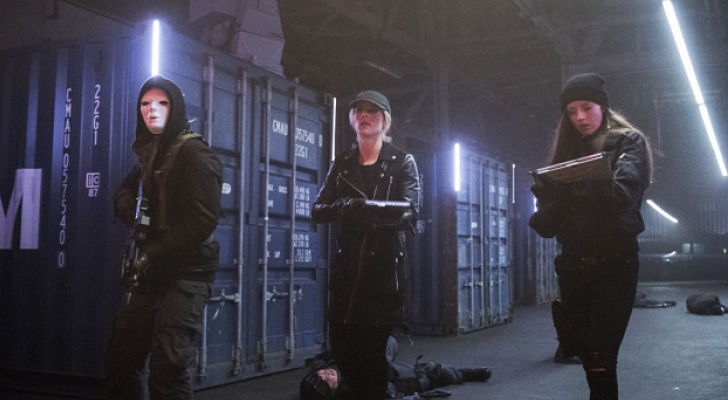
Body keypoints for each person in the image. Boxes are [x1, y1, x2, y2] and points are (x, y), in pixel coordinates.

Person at [529, 72, 652, 400]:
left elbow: (622, 195)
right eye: (571, 111)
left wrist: (569, 190)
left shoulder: (627, 142)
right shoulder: (568, 150)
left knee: (600, 356)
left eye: (586, 107)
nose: (580, 117)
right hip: (574, 266)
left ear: (602, 107)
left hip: (615, 264)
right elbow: (551, 222)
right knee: (584, 352)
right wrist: (548, 204)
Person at [106, 75, 223, 400]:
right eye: (145, 103)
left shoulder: (194, 153)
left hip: (186, 274)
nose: (152, 110)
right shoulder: (152, 150)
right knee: (121, 358)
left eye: (162, 103)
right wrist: (134, 209)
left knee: (167, 367)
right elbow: (124, 190)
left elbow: (202, 221)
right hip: (151, 274)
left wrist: (150, 253)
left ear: (176, 108)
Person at [311, 90, 420, 400]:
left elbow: (410, 212)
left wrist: (369, 214)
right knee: (344, 354)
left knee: (372, 359)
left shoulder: (402, 162)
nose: (364, 116)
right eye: (359, 110)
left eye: (373, 111)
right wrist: (344, 207)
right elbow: (318, 210)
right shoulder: (342, 163)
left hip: (382, 276)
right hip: (346, 276)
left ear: (385, 121)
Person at [299, 336, 491, 400]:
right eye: (327, 380)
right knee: (438, 373)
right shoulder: (355, 390)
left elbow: (323, 359)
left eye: (322, 374)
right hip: (398, 376)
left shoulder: (325, 366)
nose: (327, 374)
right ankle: (469, 374)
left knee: (386, 342)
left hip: (383, 360)